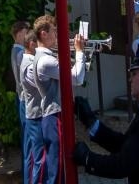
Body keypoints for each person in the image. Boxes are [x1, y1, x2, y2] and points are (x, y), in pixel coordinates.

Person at [73, 46, 139, 184]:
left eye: (134, 74)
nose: (130, 79)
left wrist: (88, 159)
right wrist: (92, 123)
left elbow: (123, 164)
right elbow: (126, 145)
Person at [34, 14, 86, 184]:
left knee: (60, 168)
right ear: (43, 33)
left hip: (55, 115)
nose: (57, 36)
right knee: (58, 170)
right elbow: (77, 78)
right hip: (55, 116)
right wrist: (79, 52)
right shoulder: (45, 61)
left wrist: (81, 55)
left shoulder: (46, 57)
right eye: (54, 32)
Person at [20, 29, 46, 184]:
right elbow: (41, 85)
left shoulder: (30, 60)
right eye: (38, 43)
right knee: (39, 159)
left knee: (34, 156)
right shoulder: (29, 63)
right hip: (35, 114)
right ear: (31, 44)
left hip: (34, 113)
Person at [12, 19, 30, 181]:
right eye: (26, 32)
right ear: (19, 34)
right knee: (28, 144)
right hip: (24, 100)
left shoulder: (17, 50)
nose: (29, 35)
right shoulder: (20, 53)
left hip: (22, 99)